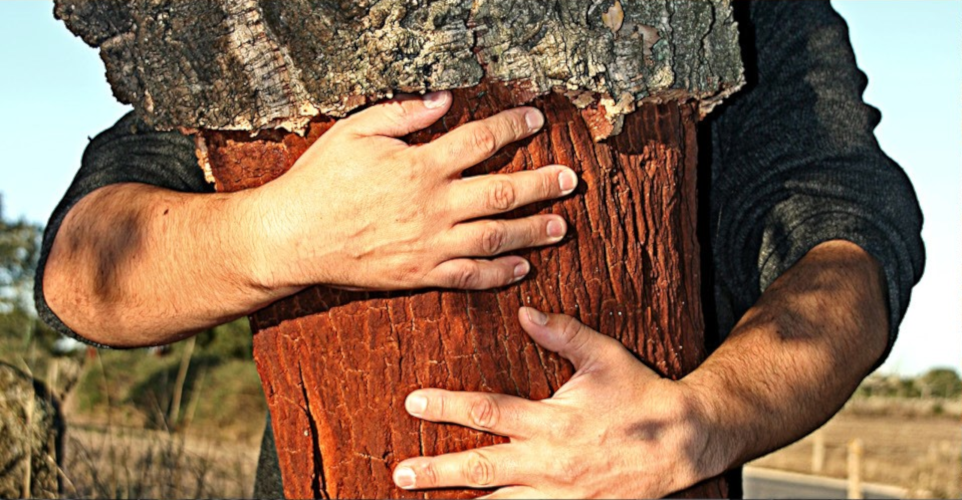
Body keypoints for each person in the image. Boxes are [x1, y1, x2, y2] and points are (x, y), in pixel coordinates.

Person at [36, 2, 924, 498]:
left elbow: (853, 247)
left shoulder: (733, 8)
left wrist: (701, 421)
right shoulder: (272, 22)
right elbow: (80, 276)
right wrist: (280, 231)